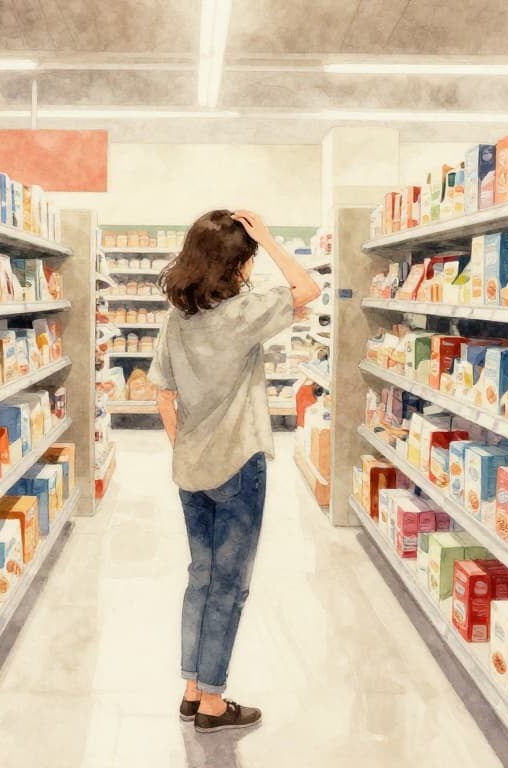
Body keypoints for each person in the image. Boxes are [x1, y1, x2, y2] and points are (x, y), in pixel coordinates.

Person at [148, 209, 321, 733]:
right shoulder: (245, 312)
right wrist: (266, 236)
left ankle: (192, 687)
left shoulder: (177, 318)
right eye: (245, 258)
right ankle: (215, 703)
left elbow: (162, 392)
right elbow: (307, 287)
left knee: (199, 577)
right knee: (230, 585)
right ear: (236, 264)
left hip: (192, 466)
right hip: (239, 464)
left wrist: (186, 448)